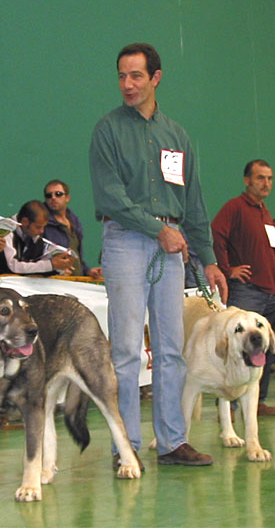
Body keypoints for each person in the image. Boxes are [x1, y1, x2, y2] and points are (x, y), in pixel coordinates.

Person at [89, 42, 227, 467]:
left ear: (156, 78)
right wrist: (157, 230)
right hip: (126, 242)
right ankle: (124, 445)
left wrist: (208, 259)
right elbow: (109, 196)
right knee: (127, 351)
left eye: (135, 76)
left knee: (171, 349)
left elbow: (195, 203)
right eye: (121, 76)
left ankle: (171, 441)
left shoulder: (177, 136)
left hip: (173, 246)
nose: (127, 85)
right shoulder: (107, 130)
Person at [211, 159, 275, 416]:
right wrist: (227, 269)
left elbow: (272, 253)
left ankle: (257, 401)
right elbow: (215, 234)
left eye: (270, 178)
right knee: (236, 349)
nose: (266, 183)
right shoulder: (235, 207)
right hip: (247, 291)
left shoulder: (265, 212)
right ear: (247, 180)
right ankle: (228, 406)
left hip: (272, 294)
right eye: (261, 178)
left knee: (266, 351)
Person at [0, 199, 74, 278]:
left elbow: (37, 263)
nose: (41, 231)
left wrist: (60, 267)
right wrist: (50, 265)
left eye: (43, 227)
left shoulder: (33, 237)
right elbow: (13, 266)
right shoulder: (5, 230)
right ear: (25, 222)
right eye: (38, 227)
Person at [43, 179, 102, 279]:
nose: (53, 198)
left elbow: (76, 256)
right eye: (49, 195)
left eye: (58, 194)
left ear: (67, 198)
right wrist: (55, 272)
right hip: (54, 283)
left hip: (75, 281)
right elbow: (35, 257)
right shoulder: (41, 224)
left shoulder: (74, 222)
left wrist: (88, 271)